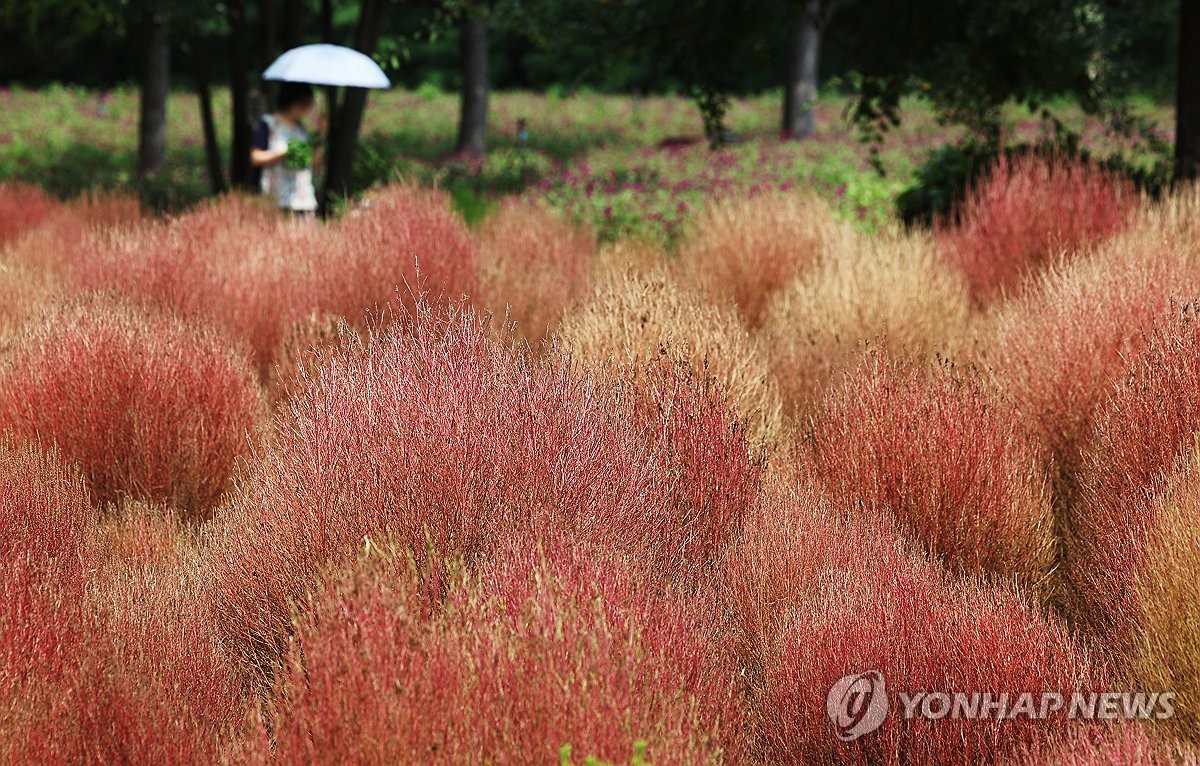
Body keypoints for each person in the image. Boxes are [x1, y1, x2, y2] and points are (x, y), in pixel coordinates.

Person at [251, 82, 319, 216]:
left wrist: (320, 135)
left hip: (304, 199)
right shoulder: (269, 124)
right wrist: (283, 153)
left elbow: (313, 162)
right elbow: (255, 157)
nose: (305, 108)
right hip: (276, 200)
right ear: (290, 100)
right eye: (303, 102)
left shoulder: (302, 130)